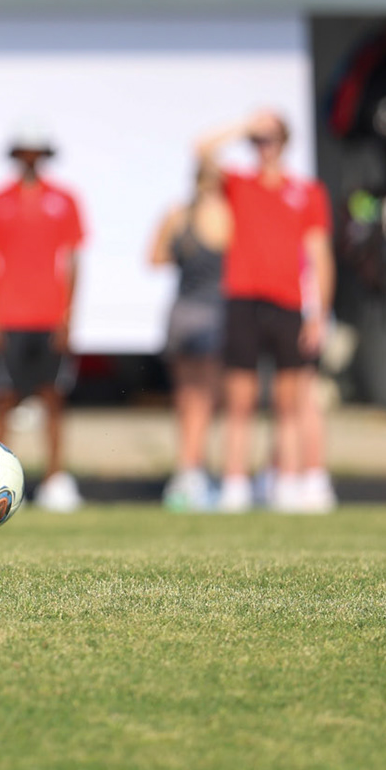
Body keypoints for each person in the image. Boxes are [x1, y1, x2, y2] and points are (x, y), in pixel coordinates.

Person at [195, 109, 336, 513]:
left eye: (270, 138)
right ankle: (235, 483)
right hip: (243, 298)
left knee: (288, 402)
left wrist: (319, 312)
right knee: (239, 400)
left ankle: (288, 481)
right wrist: (243, 124)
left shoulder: (306, 192)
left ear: (285, 142)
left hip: (289, 302)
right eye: (257, 140)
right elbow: (201, 149)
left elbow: (319, 254)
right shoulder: (239, 184)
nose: (263, 147)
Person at [0, 127, 85, 513]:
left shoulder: (64, 200)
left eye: (36, 153)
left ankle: (55, 479)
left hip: (49, 315)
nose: (30, 160)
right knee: (3, 399)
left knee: (52, 399)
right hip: (9, 315)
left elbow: (72, 261)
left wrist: (68, 317)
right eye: (24, 153)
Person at [148, 158, 231, 512]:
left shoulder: (177, 214)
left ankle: (186, 471)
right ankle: (193, 473)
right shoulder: (229, 216)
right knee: (207, 398)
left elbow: (155, 257)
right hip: (214, 313)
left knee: (186, 398)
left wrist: (188, 257)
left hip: (181, 313)